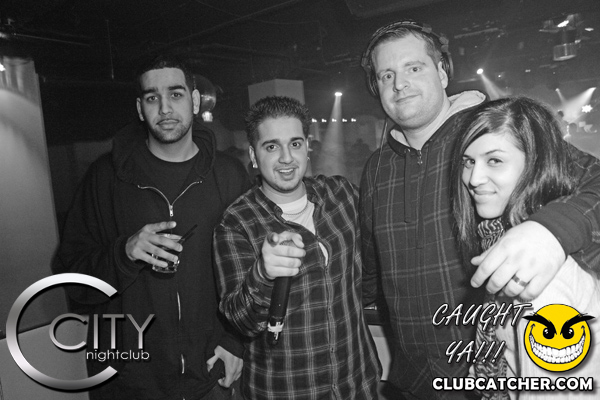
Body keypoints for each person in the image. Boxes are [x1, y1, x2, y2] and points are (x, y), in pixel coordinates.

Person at [359, 20, 600, 399]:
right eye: (386, 75)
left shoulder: (492, 132)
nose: (399, 83)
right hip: (412, 383)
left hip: (486, 380)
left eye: (413, 67)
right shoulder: (377, 167)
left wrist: (552, 231)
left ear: (442, 72)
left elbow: (595, 180)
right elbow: (371, 268)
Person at [52, 54, 250, 400]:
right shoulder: (104, 178)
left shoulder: (229, 175)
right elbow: (72, 281)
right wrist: (124, 253)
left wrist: (235, 341)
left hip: (209, 377)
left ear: (194, 101)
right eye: (152, 97)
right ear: (140, 109)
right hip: (128, 383)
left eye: (175, 94)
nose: (165, 108)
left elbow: (251, 272)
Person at [213, 96, 381, 400]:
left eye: (295, 144)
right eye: (271, 147)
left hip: (358, 384)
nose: (286, 158)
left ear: (307, 146)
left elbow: (379, 254)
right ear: (253, 156)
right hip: (286, 390)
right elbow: (240, 321)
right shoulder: (237, 222)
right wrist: (262, 274)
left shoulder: (341, 195)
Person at [452, 96, 600, 398]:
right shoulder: (504, 240)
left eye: (495, 160)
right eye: (469, 162)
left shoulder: (538, 270)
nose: (473, 179)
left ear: (535, 165)